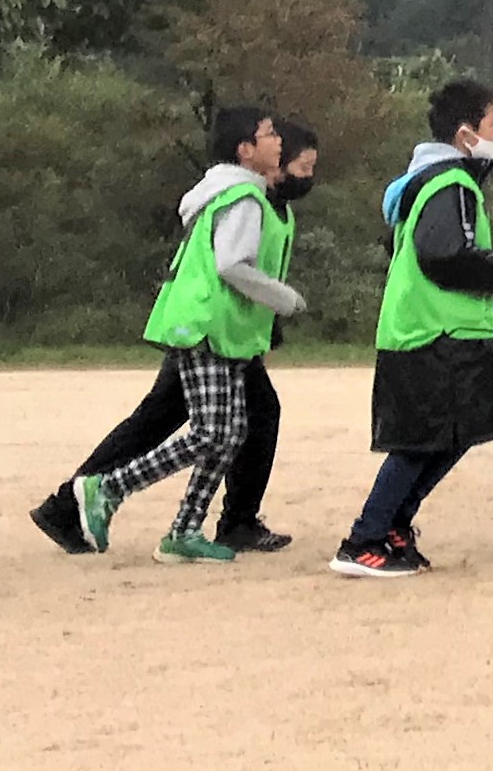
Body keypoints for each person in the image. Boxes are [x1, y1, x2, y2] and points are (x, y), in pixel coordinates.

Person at [43, 120, 320, 558]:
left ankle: (188, 528)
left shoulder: (250, 198)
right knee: (209, 430)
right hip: (207, 324)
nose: (307, 177)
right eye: (301, 167)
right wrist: (283, 299)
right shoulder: (245, 198)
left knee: (225, 428)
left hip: (227, 328)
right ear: (256, 154)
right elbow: (232, 264)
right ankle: (99, 492)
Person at [332, 79, 493, 579]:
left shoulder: (434, 180)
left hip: (437, 331)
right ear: (465, 135)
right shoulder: (450, 182)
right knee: (420, 441)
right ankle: (363, 540)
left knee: (457, 432)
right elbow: (443, 254)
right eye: (491, 124)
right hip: (435, 334)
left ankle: (396, 524)